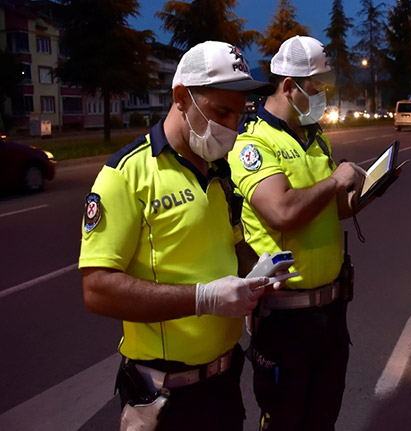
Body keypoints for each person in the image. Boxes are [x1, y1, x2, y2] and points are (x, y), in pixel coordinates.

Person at [78, 41, 276, 431]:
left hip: (225, 382)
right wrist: (203, 298)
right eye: (221, 112)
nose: (232, 127)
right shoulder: (126, 175)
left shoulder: (220, 171)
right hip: (165, 400)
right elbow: (97, 289)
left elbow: (232, 246)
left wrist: (259, 274)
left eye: (239, 115)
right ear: (182, 97)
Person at [228, 35, 368, 431]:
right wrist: (334, 180)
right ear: (289, 86)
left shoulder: (313, 135)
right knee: (285, 421)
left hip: (330, 313)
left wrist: (367, 189)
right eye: (316, 87)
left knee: (323, 419)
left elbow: (332, 208)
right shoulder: (254, 141)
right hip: (286, 321)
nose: (322, 95)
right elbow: (283, 211)